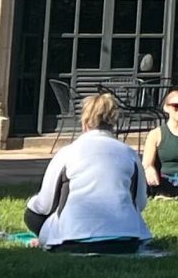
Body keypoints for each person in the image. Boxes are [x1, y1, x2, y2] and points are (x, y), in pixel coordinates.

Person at [25, 91, 151, 252]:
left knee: (32, 214)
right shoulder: (129, 154)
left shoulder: (67, 153)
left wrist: (32, 204)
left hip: (72, 240)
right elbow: (140, 203)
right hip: (126, 241)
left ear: (84, 122)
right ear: (114, 123)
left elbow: (44, 204)